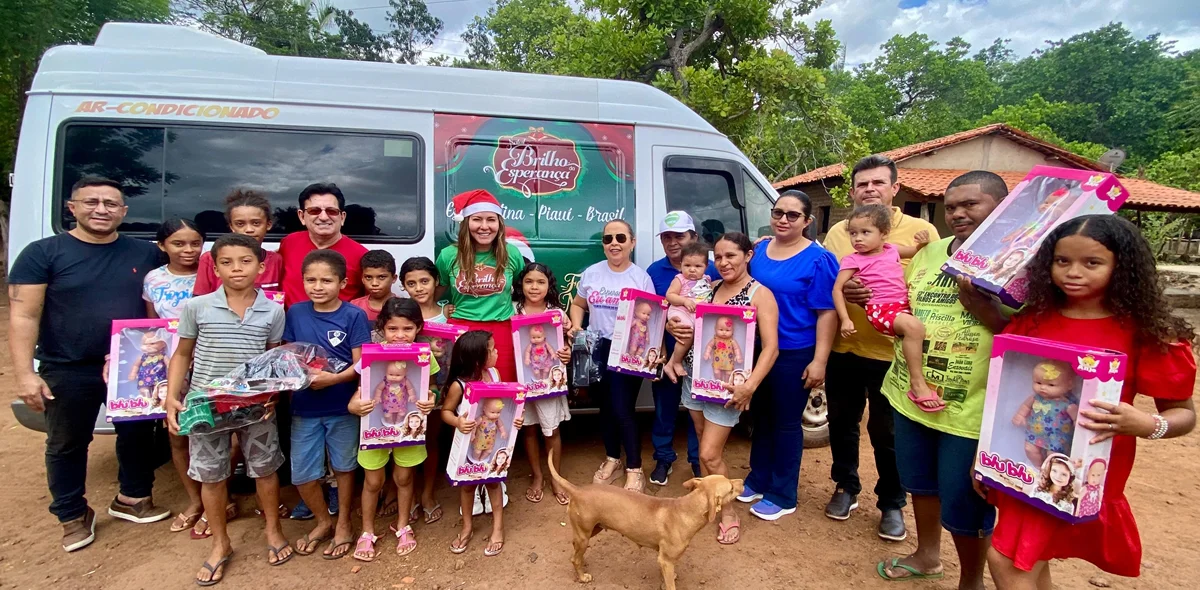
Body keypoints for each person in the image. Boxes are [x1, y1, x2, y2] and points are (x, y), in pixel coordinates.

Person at [987, 215, 1197, 588]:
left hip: (1083, 472)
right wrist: (986, 459)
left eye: (1092, 263)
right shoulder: (1033, 320)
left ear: (1123, 267)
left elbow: (1182, 413)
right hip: (1024, 462)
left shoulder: (1146, 332)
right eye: (1062, 261)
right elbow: (1007, 393)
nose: (1073, 272)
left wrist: (1148, 425)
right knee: (1028, 556)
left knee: (1009, 559)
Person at [9, 176, 168, 552]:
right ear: (72, 207)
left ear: (124, 212)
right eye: (91, 202)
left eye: (111, 204)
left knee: (138, 436)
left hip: (130, 363)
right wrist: (24, 374)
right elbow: (23, 316)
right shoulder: (43, 253)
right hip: (68, 365)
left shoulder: (145, 254)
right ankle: (72, 515)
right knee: (67, 443)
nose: (101, 210)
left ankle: (133, 498)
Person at [873, 171, 1010, 586]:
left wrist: (981, 306)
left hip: (969, 407)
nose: (958, 214)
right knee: (920, 484)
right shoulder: (930, 253)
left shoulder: (1018, 262)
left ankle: (971, 580)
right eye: (951, 207)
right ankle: (928, 555)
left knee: (966, 499)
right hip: (909, 394)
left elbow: (1028, 337)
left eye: (971, 204)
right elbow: (905, 306)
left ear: (1000, 208)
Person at [821, 155, 938, 541]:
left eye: (878, 183)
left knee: (886, 432)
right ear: (852, 192)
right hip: (846, 346)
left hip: (893, 354)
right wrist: (846, 293)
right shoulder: (839, 232)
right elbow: (830, 283)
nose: (870, 189)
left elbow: (933, 285)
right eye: (862, 184)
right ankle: (845, 487)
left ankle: (891, 502)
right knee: (841, 423)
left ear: (894, 188)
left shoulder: (921, 230)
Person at [165, 233, 293, 585]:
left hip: (255, 406)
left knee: (266, 471)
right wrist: (172, 397)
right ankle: (220, 543)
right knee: (212, 475)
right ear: (215, 266)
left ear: (261, 267)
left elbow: (272, 358)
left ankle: (272, 530)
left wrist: (274, 394)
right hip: (206, 405)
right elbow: (182, 354)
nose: (237, 269)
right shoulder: (197, 307)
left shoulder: (273, 309)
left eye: (245, 261)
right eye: (227, 262)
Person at [721, 191, 836, 521]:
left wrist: (820, 360)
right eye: (778, 212)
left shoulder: (818, 259)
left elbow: (826, 312)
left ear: (807, 221)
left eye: (793, 215)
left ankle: (783, 493)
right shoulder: (760, 250)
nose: (784, 219)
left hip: (794, 350)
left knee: (786, 423)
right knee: (761, 418)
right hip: (757, 350)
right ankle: (758, 478)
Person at [666, 232, 779, 545]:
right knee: (702, 440)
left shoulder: (759, 294)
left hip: (729, 388)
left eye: (731, 255)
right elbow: (684, 320)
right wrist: (670, 325)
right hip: (695, 378)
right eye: (719, 257)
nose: (724, 262)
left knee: (709, 454)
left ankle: (728, 512)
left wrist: (750, 386)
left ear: (748, 256)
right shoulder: (709, 287)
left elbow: (771, 348)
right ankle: (708, 499)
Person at [283, 250, 372, 559]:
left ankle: (345, 522)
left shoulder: (353, 315)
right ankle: (323, 521)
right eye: (311, 280)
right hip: (304, 406)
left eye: (326, 280)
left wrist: (331, 380)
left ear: (343, 283)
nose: (317, 286)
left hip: (341, 405)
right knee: (303, 474)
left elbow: (362, 364)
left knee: (344, 467)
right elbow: (289, 354)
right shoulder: (295, 312)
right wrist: (303, 376)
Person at [347, 299, 440, 561]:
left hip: (408, 428)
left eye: (407, 329)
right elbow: (361, 389)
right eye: (393, 329)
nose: (400, 335)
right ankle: (367, 532)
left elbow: (430, 387)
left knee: (403, 479)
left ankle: (403, 525)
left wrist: (430, 399)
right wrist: (354, 404)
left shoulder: (424, 356)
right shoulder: (371, 355)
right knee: (373, 481)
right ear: (382, 328)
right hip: (375, 428)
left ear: (418, 328)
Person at [569, 219, 656, 493]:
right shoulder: (592, 273)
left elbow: (652, 316)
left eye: (620, 238)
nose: (614, 243)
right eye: (608, 239)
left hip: (628, 350)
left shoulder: (640, 278)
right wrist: (576, 326)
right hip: (597, 347)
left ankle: (635, 468)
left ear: (632, 242)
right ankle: (612, 459)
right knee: (604, 408)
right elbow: (578, 303)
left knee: (622, 409)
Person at [830, 205, 936, 410]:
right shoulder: (852, 259)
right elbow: (837, 289)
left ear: (884, 234)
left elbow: (917, 251)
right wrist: (846, 319)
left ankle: (919, 378)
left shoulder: (891, 250)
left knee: (924, 332)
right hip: (881, 310)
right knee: (914, 329)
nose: (857, 239)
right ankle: (917, 383)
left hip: (902, 306)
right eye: (853, 233)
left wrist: (923, 241)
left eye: (865, 232)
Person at [645, 211, 717, 485]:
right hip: (668, 351)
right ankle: (663, 458)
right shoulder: (655, 271)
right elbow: (649, 311)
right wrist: (665, 330)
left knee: (697, 410)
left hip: (703, 356)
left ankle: (698, 461)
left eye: (680, 236)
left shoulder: (710, 270)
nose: (673, 242)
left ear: (694, 238)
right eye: (667, 237)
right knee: (664, 406)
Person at [441, 331, 524, 557]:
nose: (497, 352)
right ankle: (467, 526)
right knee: (467, 485)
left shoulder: (495, 374)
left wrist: (516, 418)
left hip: (493, 443)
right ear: (479, 358)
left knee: (494, 483)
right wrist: (458, 422)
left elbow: (505, 405)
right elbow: (446, 412)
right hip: (468, 445)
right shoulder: (459, 385)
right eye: (493, 349)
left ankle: (498, 527)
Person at [435, 190, 526, 380]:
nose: (484, 226)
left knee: (501, 388)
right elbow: (434, 294)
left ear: (499, 224)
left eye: (491, 220)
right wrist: (442, 311)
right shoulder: (448, 255)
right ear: (466, 222)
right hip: (462, 330)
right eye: (477, 219)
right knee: (462, 389)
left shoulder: (512, 254)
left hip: (501, 331)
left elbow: (526, 292)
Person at [512, 263, 574, 505]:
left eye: (540, 282)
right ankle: (537, 476)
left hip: (549, 384)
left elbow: (564, 345)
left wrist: (566, 352)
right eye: (529, 281)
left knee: (552, 430)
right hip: (523, 383)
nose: (534, 287)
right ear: (521, 284)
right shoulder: (512, 310)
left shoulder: (557, 314)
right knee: (529, 429)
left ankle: (555, 477)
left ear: (549, 286)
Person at [401, 255, 455, 525]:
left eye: (425, 281)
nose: (419, 288)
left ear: (436, 282)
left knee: (431, 441)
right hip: (403, 395)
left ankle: (428, 494)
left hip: (437, 391)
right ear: (404, 286)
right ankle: (405, 496)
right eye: (412, 283)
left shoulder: (448, 314)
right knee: (406, 441)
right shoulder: (401, 316)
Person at [278, 182, 368, 307]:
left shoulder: (361, 255)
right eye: (314, 211)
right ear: (301, 216)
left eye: (331, 211)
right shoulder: (289, 243)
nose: (324, 217)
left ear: (342, 217)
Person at [192, 189, 284, 296]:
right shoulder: (210, 259)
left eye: (256, 223)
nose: (249, 229)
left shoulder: (276, 261)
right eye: (240, 224)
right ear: (231, 226)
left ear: (268, 224)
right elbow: (199, 302)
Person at [143, 218, 204, 319]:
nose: (189, 250)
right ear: (162, 245)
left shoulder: (213, 274)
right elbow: (153, 324)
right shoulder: (153, 278)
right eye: (178, 244)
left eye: (195, 244)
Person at [351, 250, 398, 322]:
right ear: (362, 279)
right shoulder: (354, 306)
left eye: (381, 277)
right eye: (368, 277)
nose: (374, 283)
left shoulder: (402, 306)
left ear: (394, 278)